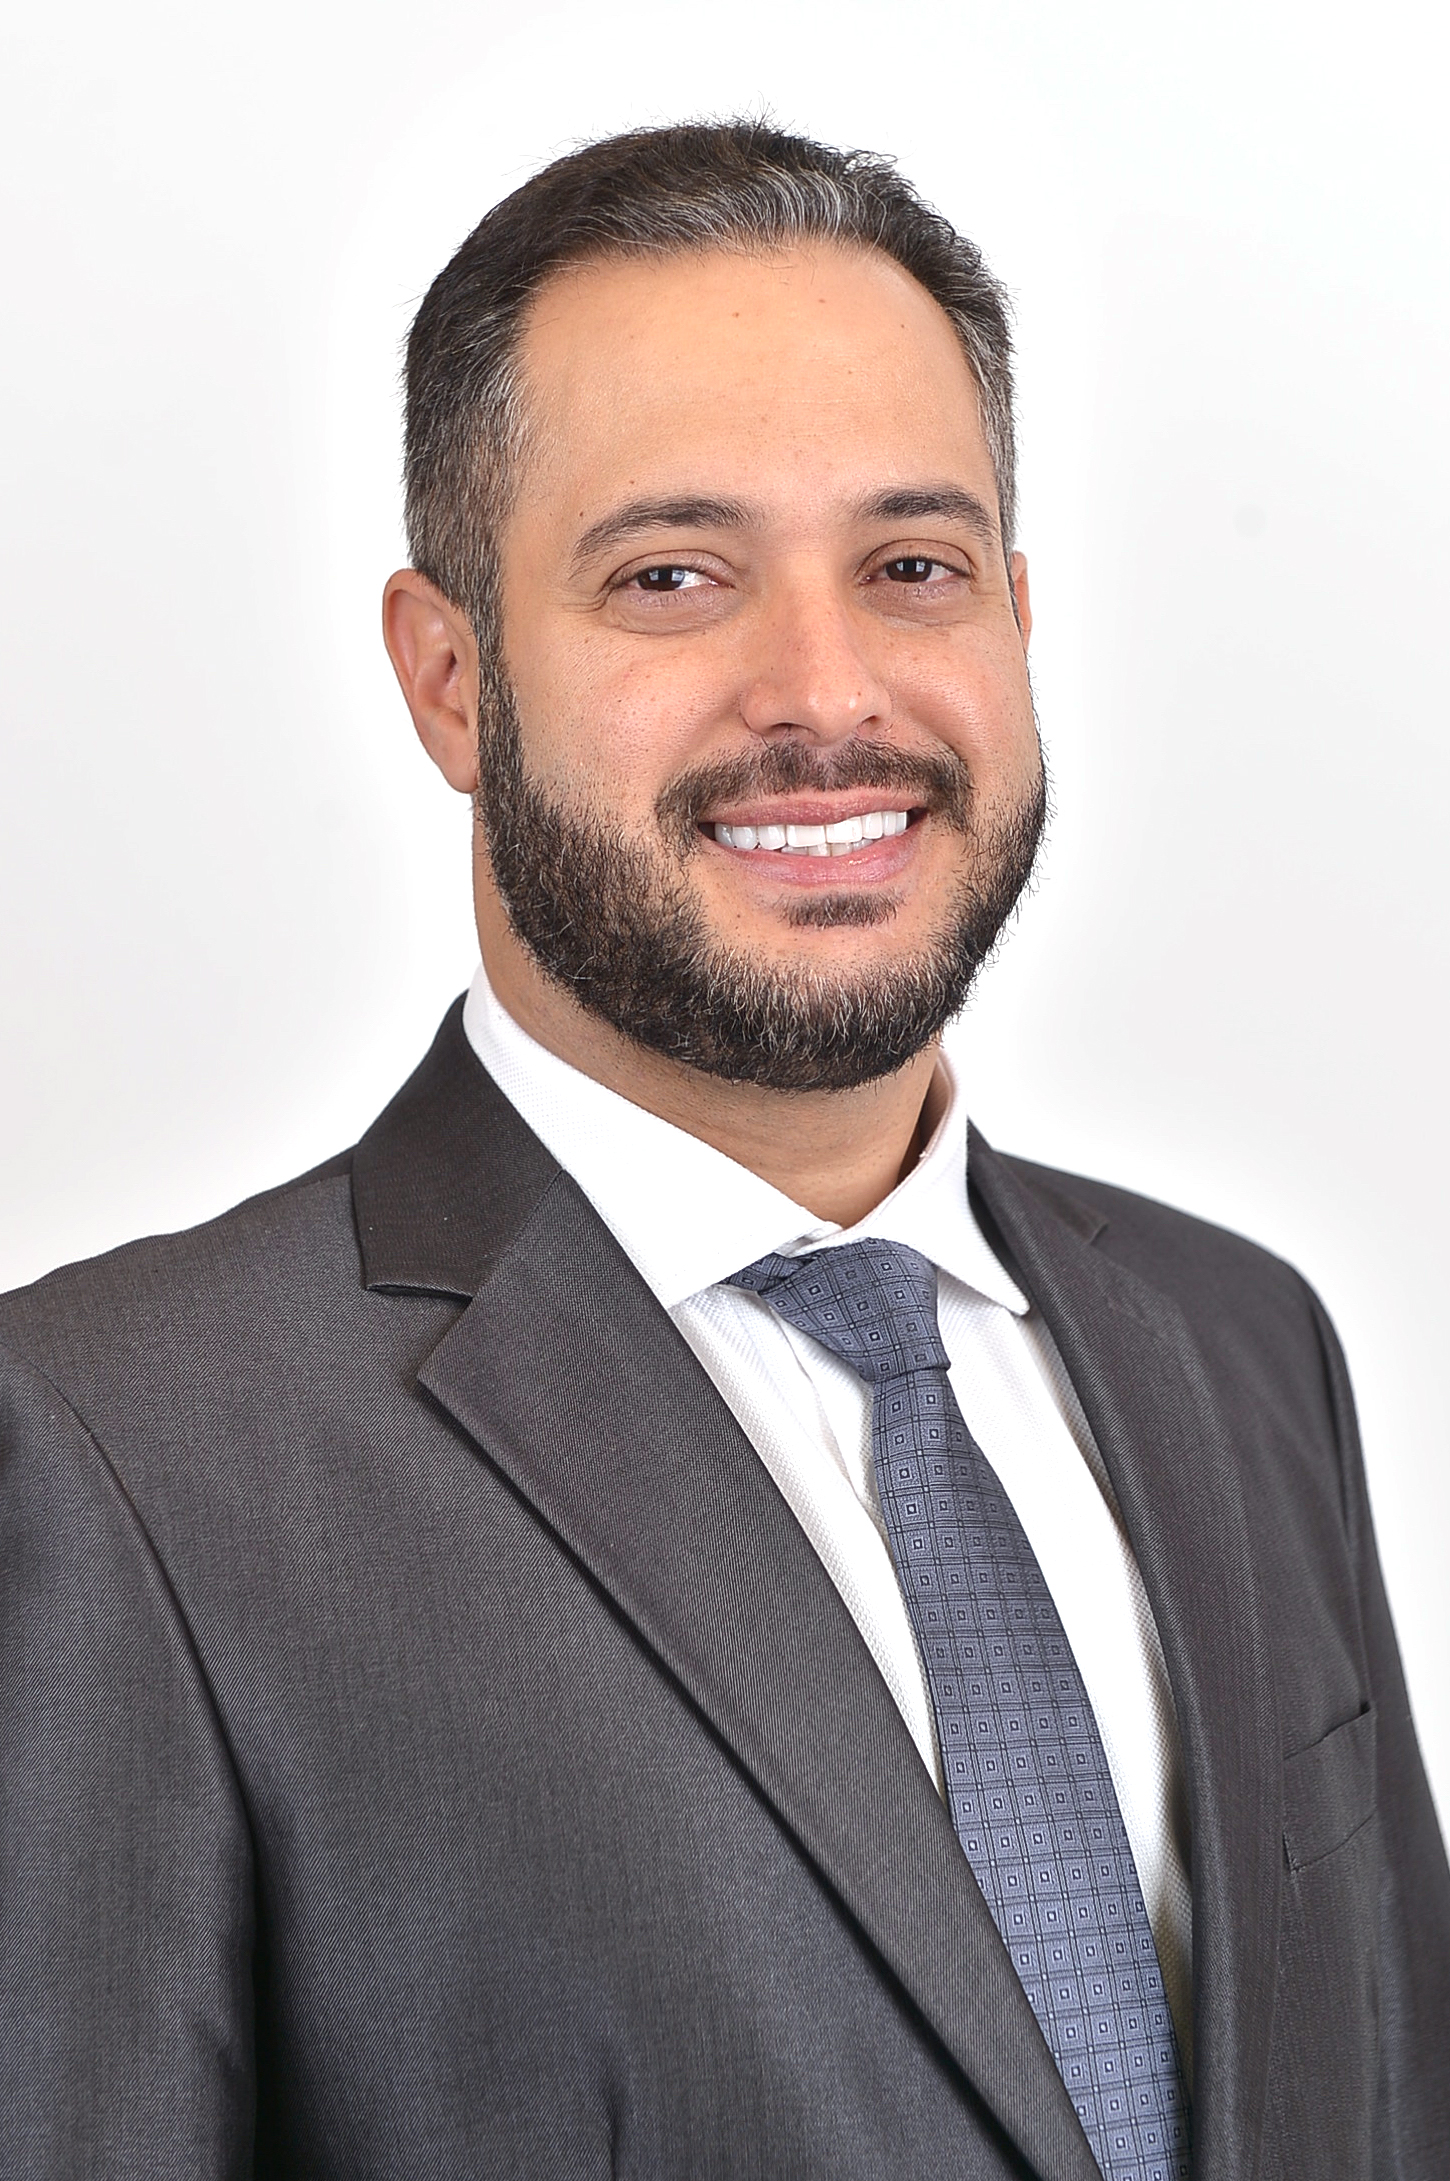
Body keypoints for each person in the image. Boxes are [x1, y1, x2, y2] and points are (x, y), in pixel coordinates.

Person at [1, 120, 1444, 2181]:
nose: (824, 691)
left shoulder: (1241, 1343)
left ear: (1017, 618)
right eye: (670, 576)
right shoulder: (112, 1449)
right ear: (448, 680)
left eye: (911, 566)